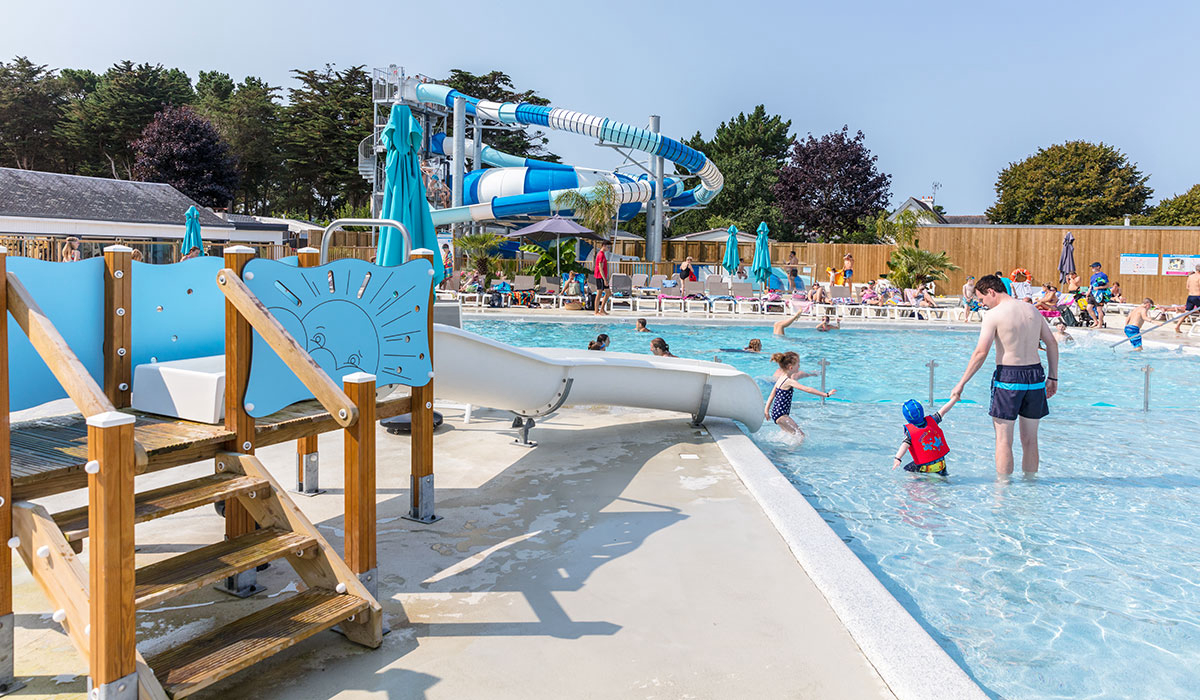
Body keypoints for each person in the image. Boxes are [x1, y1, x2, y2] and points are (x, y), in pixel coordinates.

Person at [950, 274, 1059, 476]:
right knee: (1030, 440)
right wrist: (1053, 377)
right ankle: (1030, 486)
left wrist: (961, 383)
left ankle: (1003, 489)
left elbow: (981, 352)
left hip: (1009, 377)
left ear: (991, 292)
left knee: (1003, 440)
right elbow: (1051, 343)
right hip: (1036, 376)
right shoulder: (1032, 310)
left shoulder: (994, 315)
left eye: (982, 299)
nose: (982, 304)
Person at [764, 351, 836, 440]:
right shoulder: (789, 381)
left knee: (789, 435)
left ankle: (781, 448)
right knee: (801, 436)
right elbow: (807, 389)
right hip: (782, 415)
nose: (799, 366)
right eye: (798, 364)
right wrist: (826, 394)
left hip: (776, 413)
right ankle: (793, 449)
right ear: (791, 367)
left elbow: (772, 395)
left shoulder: (781, 377)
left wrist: (766, 410)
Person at [892, 396, 960, 475]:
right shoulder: (933, 420)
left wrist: (898, 458)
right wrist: (954, 399)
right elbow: (943, 410)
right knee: (943, 478)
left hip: (925, 467)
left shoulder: (910, 432)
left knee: (908, 469)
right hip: (941, 464)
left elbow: (905, 445)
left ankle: (916, 480)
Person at [1175, 264, 1200, 333]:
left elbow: (1187, 287)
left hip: (1190, 296)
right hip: (1198, 296)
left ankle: (1177, 326)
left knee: (1186, 312)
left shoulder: (1190, 277)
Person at [1087, 261, 1110, 328]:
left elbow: (1107, 285)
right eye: (1092, 267)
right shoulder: (1092, 276)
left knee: (1099, 310)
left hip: (1100, 295)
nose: (1092, 268)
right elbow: (1091, 286)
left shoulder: (1103, 275)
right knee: (1089, 308)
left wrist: (1099, 287)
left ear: (1098, 267)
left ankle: (1100, 323)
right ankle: (1095, 321)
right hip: (1092, 294)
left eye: (1093, 267)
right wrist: (1087, 293)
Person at [593, 242, 611, 316]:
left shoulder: (603, 254)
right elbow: (600, 268)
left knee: (608, 293)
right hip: (600, 277)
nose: (609, 248)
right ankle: (596, 311)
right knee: (599, 294)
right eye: (608, 247)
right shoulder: (600, 255)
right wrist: (604, 279)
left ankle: (602, 309)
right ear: (604, 246)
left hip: (602, 277)